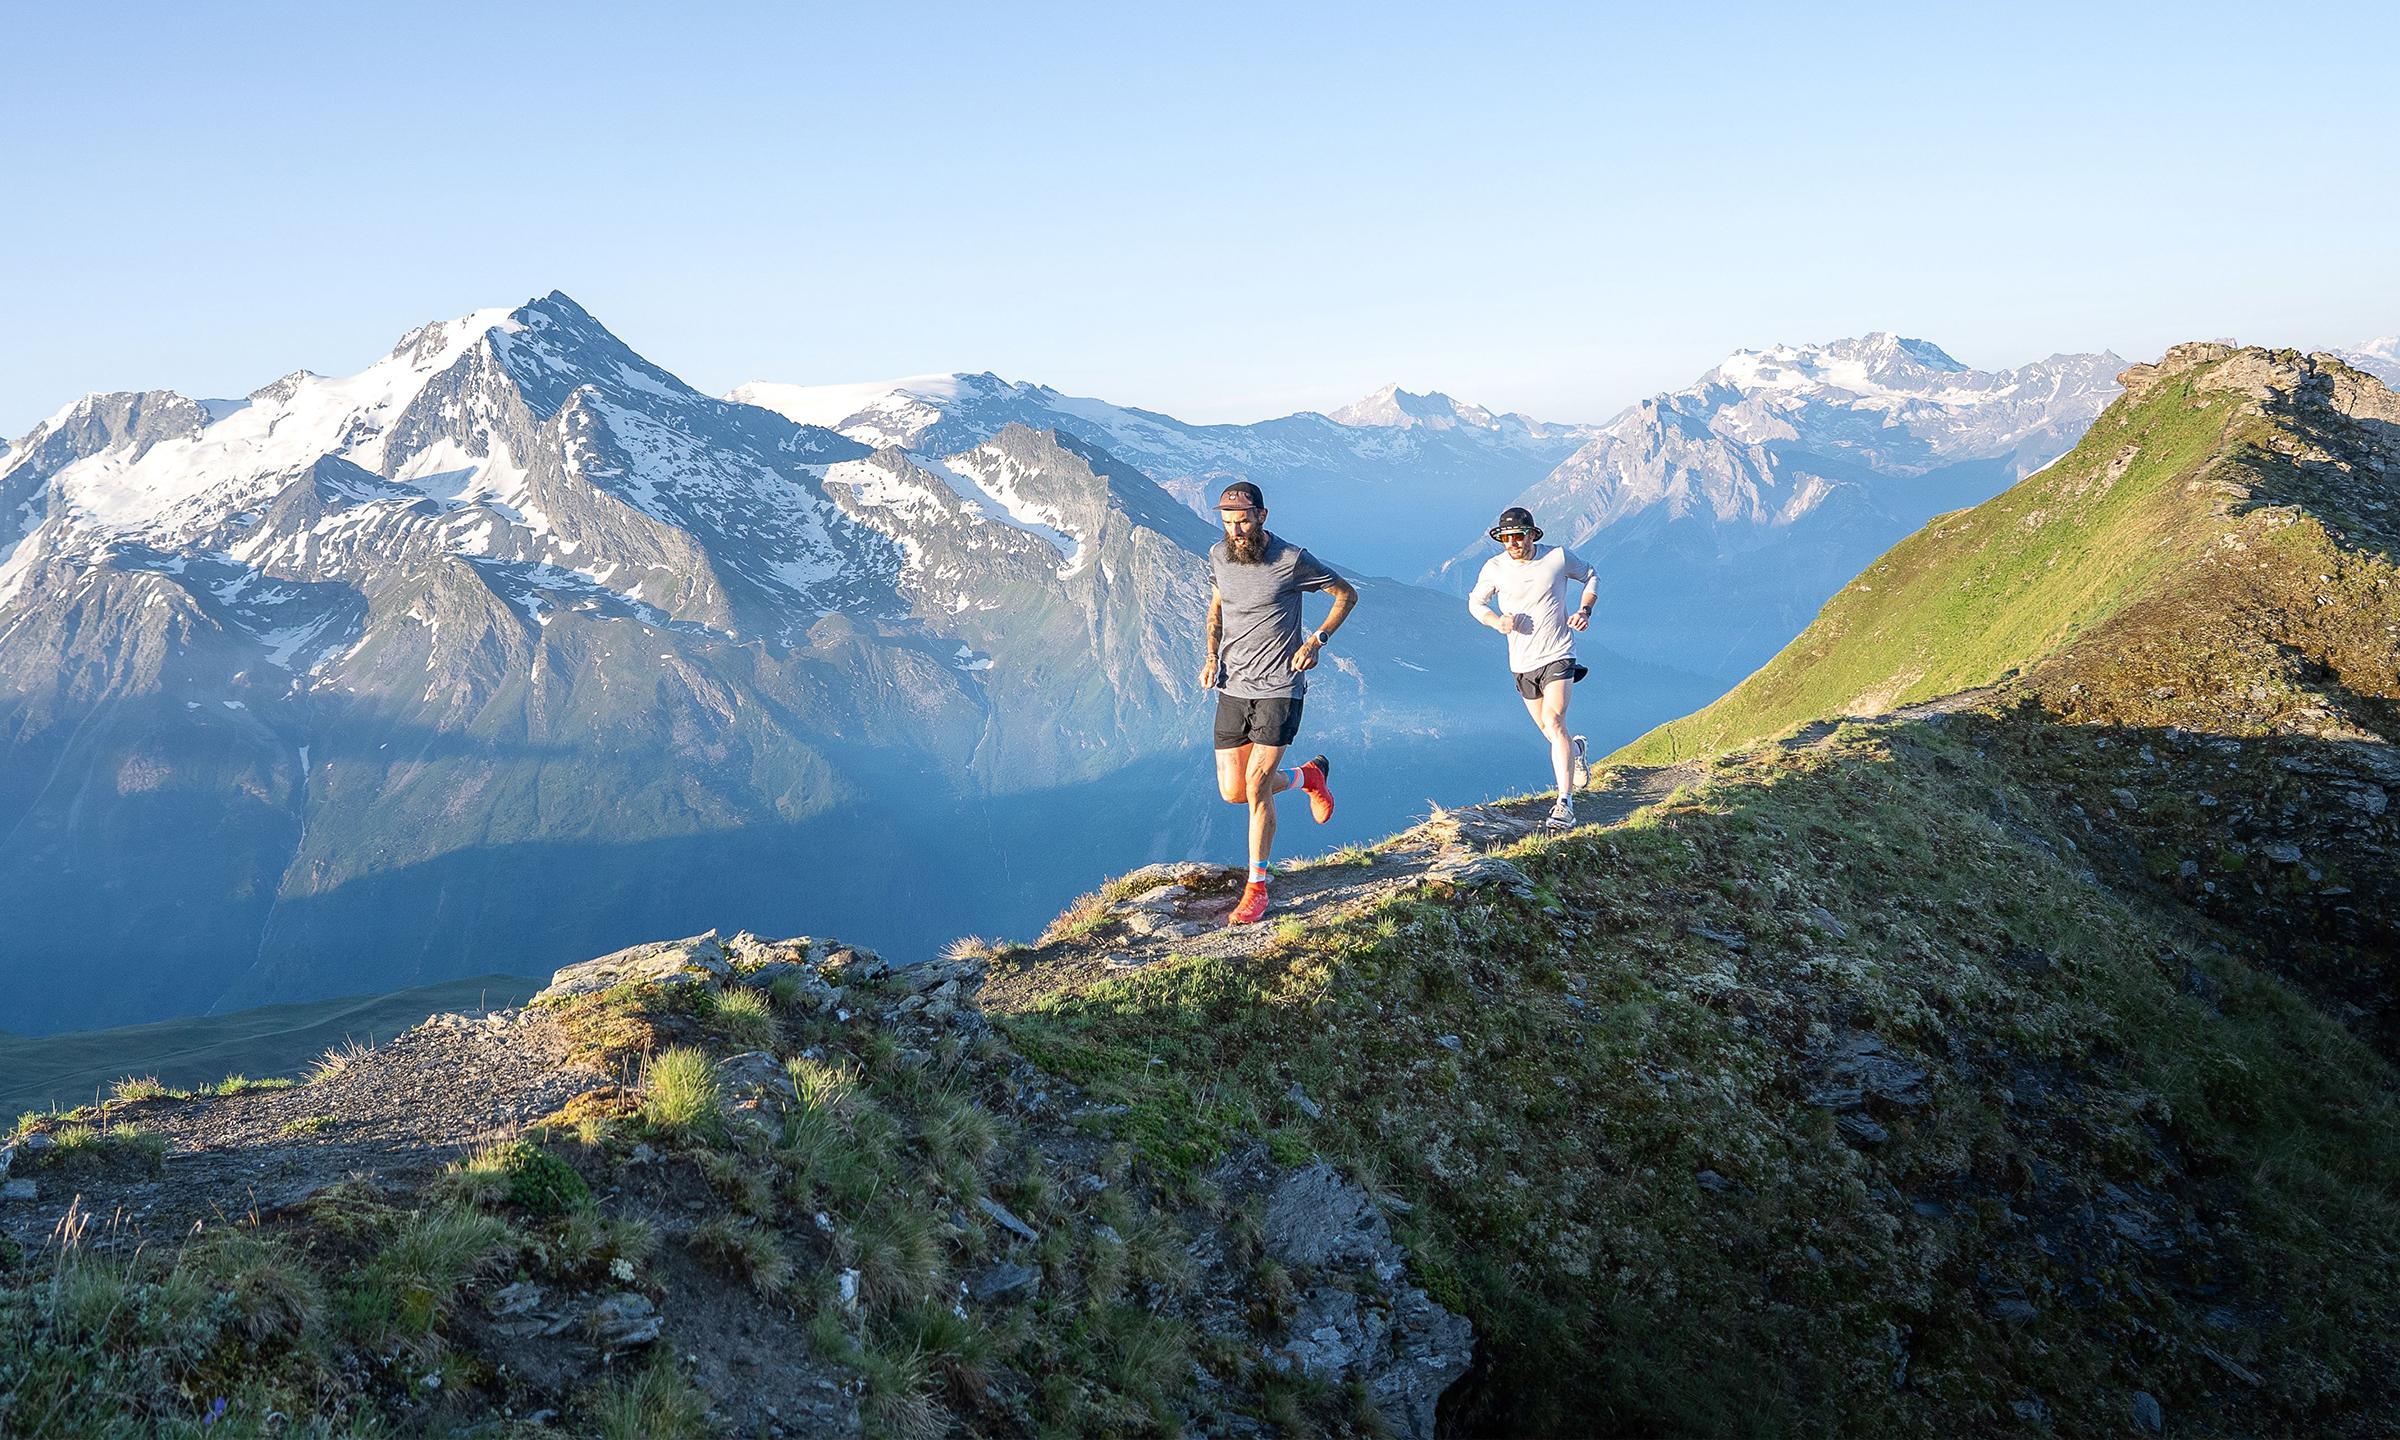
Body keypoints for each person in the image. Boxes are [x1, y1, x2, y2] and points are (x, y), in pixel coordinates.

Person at [1200, 482, 1356, 925]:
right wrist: (1211, 656)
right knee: (1233, 791)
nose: (1238, 531)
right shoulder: (1218, 555)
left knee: (1255, 786)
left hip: (1280, 686)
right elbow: (1217, 608)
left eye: (1245, 521)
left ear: (1263, 516)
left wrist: (1317, 640)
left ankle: (1257, 887)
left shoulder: (1291, 560)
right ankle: (1308, 776)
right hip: (1233, 684)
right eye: (1229, 523)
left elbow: (1347, 594)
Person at [1468, 506, 1597, 830]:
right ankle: (1577, 749)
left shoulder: (1556, 557)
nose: (1513, 543)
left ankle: (1564, 805)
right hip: (1522, 662)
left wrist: (1585, 610)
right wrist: (1497, 621)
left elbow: (1591, 574)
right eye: (1506, 537)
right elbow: (1475, 603)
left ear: (1532, 534)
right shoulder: (1494, 568)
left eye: (1519, 535)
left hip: (1558, 652)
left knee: (1554, 721)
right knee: (1550, 732)